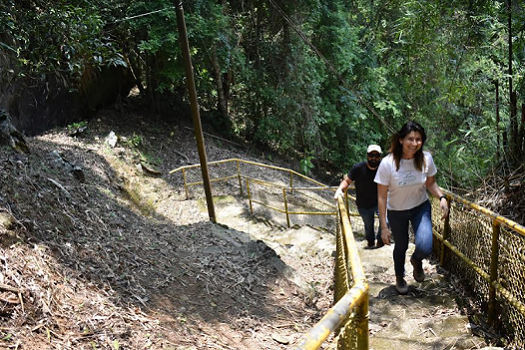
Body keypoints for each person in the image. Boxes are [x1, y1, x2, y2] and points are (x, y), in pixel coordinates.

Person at [374, 121, 448, 295]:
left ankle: (416, 261)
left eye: (419, 139)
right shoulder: (388, 163)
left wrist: (441, 197)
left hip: (419, 207)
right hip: (396, 210)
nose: (414, 143)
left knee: (425, 245)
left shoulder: (426, 159)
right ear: (401, 140)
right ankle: (400, 277)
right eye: (410, 139)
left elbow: (431, 183)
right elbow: (382, 196)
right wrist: (384, 227)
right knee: (401, 245)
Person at [335, 144, 383, 249]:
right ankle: (370, 243)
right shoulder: (358, 168)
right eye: (371, 155)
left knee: (386, 220)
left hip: (380, 202)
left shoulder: (384, 168)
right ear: (367, 156)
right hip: (363, 204)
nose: (374, 158)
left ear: (380, 156)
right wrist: (340, 190)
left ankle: (380, 242)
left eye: (376, 155)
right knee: (368, 226)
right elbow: (347, 180)